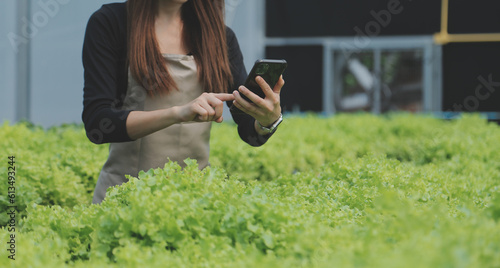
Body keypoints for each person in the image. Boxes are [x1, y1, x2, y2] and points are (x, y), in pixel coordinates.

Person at [82, 0, 285, 204]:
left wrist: (267, 121)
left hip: (194, 203)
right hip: (123, 199)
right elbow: (98, 124)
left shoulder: (219, 37)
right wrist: (177, 113)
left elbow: (249, 129)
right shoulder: (111, 23)